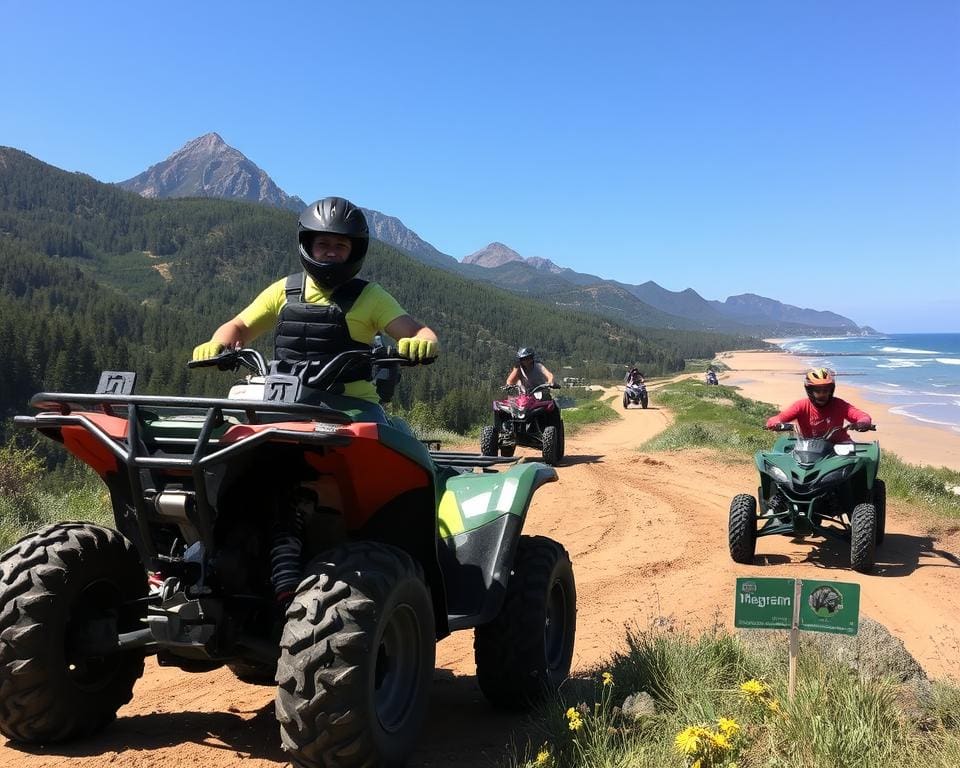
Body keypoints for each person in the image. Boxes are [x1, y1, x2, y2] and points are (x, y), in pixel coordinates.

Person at [191, 197, 438, 407]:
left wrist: (422, 343)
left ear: (354, 251)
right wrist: (217, 343)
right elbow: (239, 327)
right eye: (323, 244)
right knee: (234, 442)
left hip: (352, 409)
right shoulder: (285, 290)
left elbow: (416, 331)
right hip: (284, 404)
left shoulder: (370, 296)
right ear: (308, 246)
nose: (331, 251)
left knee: (375, 456)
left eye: (341, 245)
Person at [765, 368, 872, 442]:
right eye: (818, 391)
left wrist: (863, 423)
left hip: (839, 445)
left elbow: (863, 416)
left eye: (826, 390)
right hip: (807, 447)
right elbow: (778, 418)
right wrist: (776, 424)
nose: (822, 394)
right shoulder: (801, 405)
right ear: (810, 391)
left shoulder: (840, 404)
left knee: (856, 466)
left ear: (831, 390)